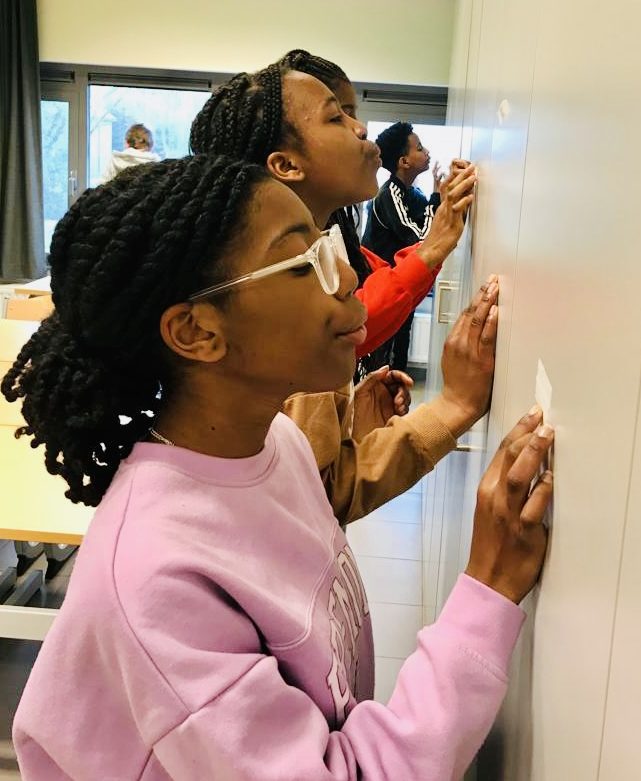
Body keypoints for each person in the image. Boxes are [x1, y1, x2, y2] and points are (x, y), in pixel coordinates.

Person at [5, 155, 554, 780]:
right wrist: (488, 588)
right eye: (304, 262)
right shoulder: (156, 582)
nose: (347, 276)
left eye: (329, 247)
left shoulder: (278, 441)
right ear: (197, 332)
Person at [190, 56, 488, 525]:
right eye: (338, 116)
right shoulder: (277, 293)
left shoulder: (308, 251)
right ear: (285, 165)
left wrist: (344, 415)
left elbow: (307, 470)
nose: (361, 129)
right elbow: (320, 493)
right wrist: (454, 407)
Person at [362, 121, 443, 372]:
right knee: (381, 352)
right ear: (404, 162)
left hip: (399, 285)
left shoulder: (413, 194)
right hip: (381, 289)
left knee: (400, 344)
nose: (427, 152)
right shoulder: (389, 194)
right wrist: (437, 197)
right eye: (419, 148)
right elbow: (419, 238)